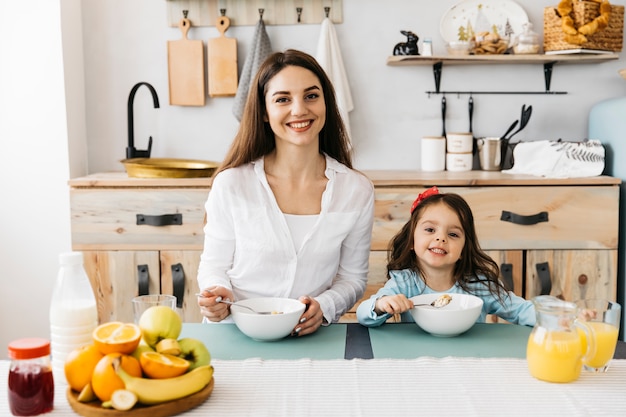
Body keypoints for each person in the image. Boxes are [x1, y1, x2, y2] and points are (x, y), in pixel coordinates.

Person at [197, 49, 375, 336]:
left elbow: (352, 278)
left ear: (326, 103)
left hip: (311, 338)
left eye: (311, 96)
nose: (299, 109)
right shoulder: (231, 184)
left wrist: (325, 305)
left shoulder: (356, 190)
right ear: (265, 113)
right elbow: (214, 266)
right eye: (283, 99)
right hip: (235, 333)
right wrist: (216, 293)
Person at [357, 186, 535, 327]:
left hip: (470, 361)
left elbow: (522, 310)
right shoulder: (404, 283)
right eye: (430, 230)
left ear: (464, 249)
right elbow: (364, 315)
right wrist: (381, 305)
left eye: (453, 234)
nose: (440, 238)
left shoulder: (479, 286)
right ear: (411, 240)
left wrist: (557, 321)